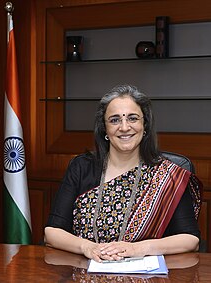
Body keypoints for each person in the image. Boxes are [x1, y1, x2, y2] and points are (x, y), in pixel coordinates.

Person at [44, 84, 202, 262]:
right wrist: (87, 247)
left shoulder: (169, 176)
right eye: (114, 120)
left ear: (145, 125)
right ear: (104, 128)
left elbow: (190, 239)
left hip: (145, 275)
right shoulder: (81, 167)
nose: (124, 127)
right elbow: (52, 233)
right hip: (86, 269)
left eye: (133, 118)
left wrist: (137, 248)